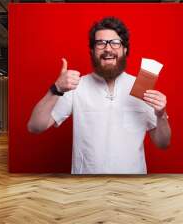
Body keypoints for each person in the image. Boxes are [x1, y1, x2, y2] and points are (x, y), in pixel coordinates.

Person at [27, 17, 171, 174]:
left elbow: (163, 143)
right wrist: (56, 89)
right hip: (87, 187)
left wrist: (160, 115)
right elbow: (35, 127)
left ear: (125, 49)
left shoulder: (141, 86)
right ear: (92, 51)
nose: (108, 49)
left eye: (115, 43)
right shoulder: (75, 86)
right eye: (101, 43)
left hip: (132, 187)